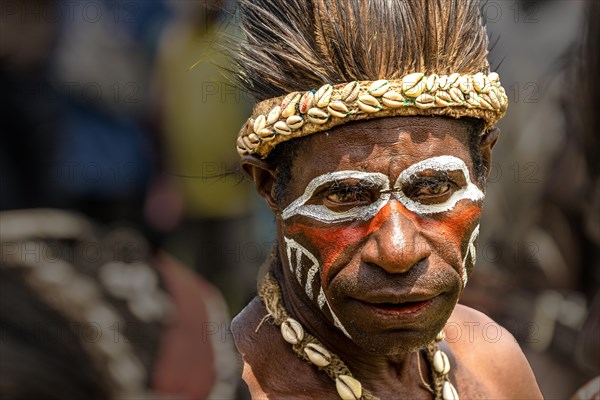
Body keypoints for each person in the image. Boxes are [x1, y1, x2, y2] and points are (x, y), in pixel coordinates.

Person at [230, 0, 543, 398]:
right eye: (344, 195)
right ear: (269, 186)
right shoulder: (236, 388)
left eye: (433, 189)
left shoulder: (494, 363)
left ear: (484, 163)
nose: (397, 251)